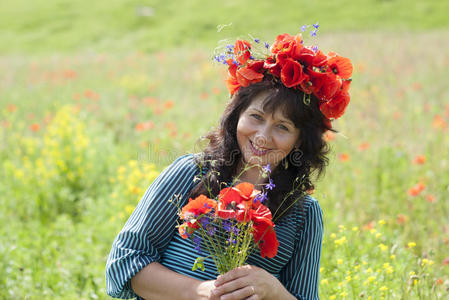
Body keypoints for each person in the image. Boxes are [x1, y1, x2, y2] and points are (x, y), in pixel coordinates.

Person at [106, 31, 352, 300]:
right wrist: (201, 291)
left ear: (300, 140)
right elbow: (124, 262)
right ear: (236, 116)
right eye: (256, 117)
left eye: (283, 127)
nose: (262, 136)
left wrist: (273, 290)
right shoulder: (190, 173)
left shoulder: (303, 214)